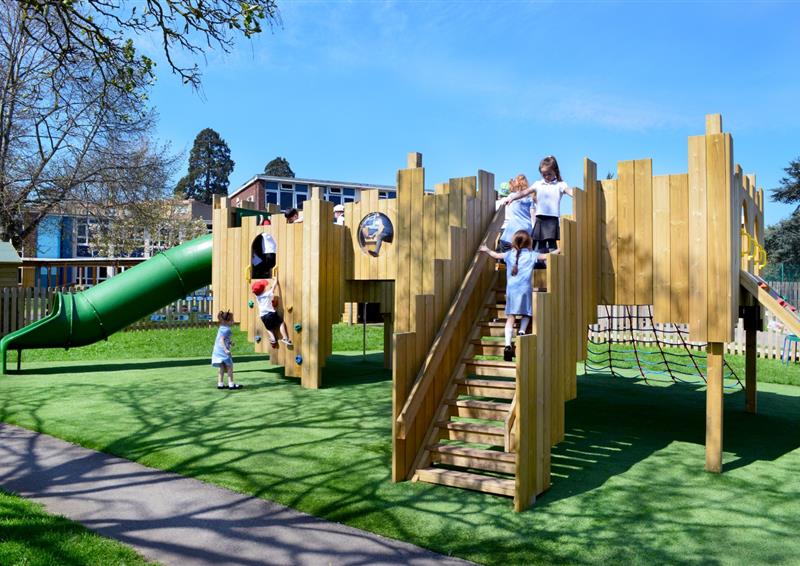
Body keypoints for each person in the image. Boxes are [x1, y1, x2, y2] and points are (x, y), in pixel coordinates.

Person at [479, 230, 548, 362]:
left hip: (511, 291)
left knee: (510, 317)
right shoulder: (531, 255)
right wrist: (561, 249)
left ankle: (507, 345)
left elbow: (495, 255)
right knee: (527, 313)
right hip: (525, 290)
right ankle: (521, 332)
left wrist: (486, 249)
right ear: (529, 243)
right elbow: (546, 256)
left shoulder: (509, 254)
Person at [503, 156, 575, 252]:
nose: (546, 176)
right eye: (543, 174)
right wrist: (511, 197)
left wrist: (577, 194)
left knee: (552, 244)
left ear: (555, 171)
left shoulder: (560, 184)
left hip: (552, 219)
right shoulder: (538, 184)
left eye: (549, 174)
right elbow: (524, 192)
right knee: (538, 244)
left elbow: (569, 191)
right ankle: (538, 263)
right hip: (540, 218)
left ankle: (554, 263)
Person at [497, 174, 534, 253]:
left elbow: (502, 203)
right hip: (527, 229)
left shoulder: (512, 196)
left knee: (504, 246)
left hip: (513, 230)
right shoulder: (530, 199)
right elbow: (533, 215)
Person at [251, 278, 293, 348]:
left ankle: (273, 339)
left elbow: (257, 291)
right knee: (281, 323)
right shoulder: (268, 294)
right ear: (263, 289)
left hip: (263, 316)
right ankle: (285, 338)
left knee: (269, 328)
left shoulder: (257, 297)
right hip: (271, 314)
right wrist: (276, 281)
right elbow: (274, 287)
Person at [211, 310, 241, 389]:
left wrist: (230, 342)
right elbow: (221, 340)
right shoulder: (227, 329)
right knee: (229, 367)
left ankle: (220, 384)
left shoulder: (221, 328)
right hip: (222, 351)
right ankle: (231, 384)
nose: (233, 321)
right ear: (226, 321)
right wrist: (226, 350)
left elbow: (223, 339)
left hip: (217, 350)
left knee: (221, 367)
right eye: (232, 320)